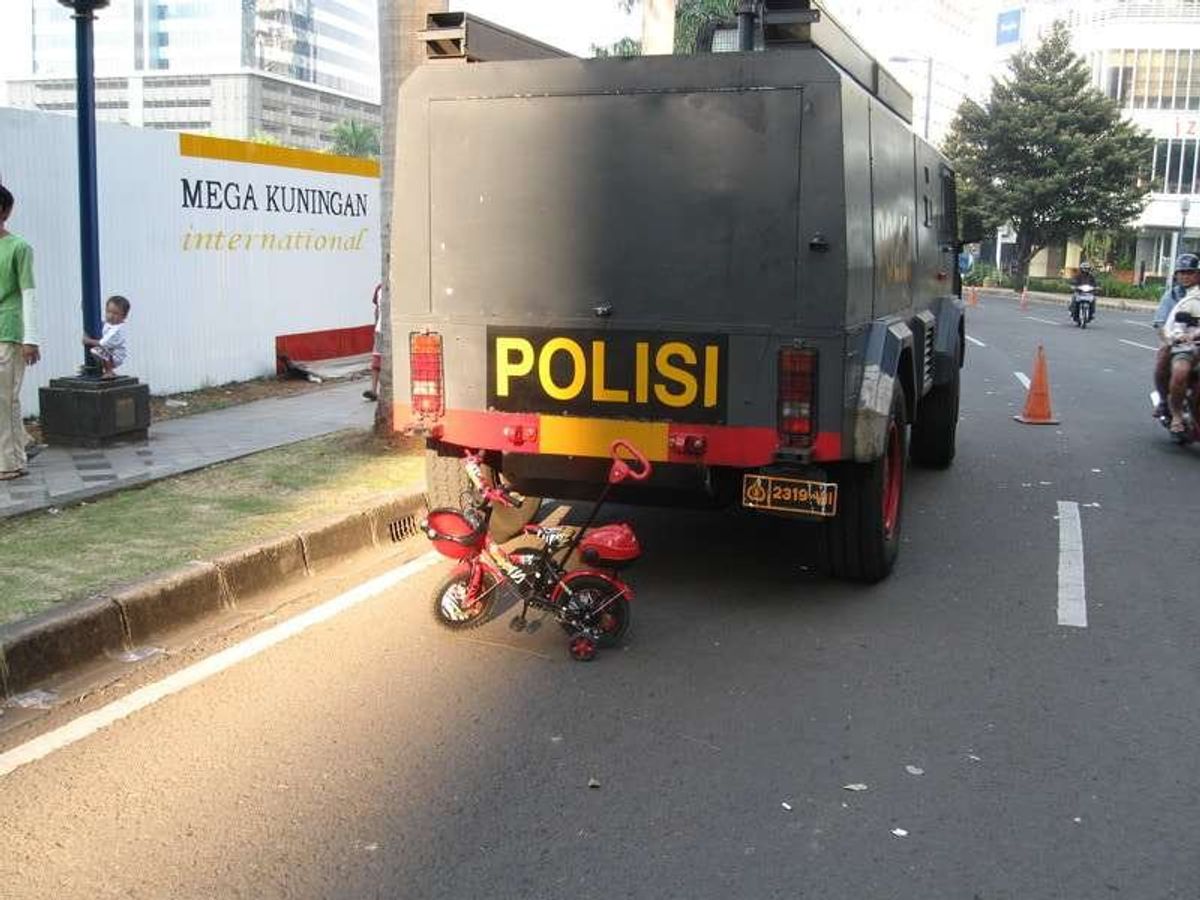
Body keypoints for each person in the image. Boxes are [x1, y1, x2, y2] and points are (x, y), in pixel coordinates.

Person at [0, 184, 40, 481]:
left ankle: (11, 462)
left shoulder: (19, 247)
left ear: (5, 211)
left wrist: (31, 339)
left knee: (5, 399)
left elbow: (28, 293)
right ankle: (17, 449)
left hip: (9, 330)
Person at [1152, 253, 1200, 418]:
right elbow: (1160, 324)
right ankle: (1164, 402)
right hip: (1178, 344)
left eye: (1190, 272)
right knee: (1163, 357)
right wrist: (1169, 340)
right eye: (1182, 272)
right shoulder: (1172, 296)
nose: (1185, 276)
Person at [1161, 276, 1200, 434]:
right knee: (1180, 371)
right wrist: (1180, 336)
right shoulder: (1190, 301)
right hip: (1189, 347)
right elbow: (1176, 327)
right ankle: (1176, 414)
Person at [82, 295, 131, 379]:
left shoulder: (117, 330)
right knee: (97, 351)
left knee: (97, 351)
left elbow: (102, 343)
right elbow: (99, 323)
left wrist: (88, 340)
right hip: (110, 352)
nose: (111, 316)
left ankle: (109, 371)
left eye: (115, 313)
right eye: (108, 312)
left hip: (116, 356)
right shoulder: (109, 324)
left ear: (124, 316)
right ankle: (104, 369)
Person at [363, 282, 382, 402]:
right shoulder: (379, 288)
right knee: (376, 362)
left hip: (392, 331)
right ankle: (373, 391)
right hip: (380, 331)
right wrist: (375, 327)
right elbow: (377, 310)